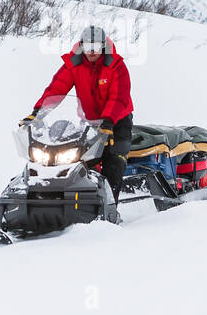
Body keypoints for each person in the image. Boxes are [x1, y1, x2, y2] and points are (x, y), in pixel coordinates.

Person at [22, 26, 134, 201]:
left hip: (116, 122)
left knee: (114, 162)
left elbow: (119, 97)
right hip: (89, 124)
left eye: (96, 47)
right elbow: (56, 88)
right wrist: (38, 113)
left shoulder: (115, 66)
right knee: (72, 161)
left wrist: (108, 121)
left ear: (103, 47)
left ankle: (110, 208)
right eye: (87, 46)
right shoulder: (74, 64)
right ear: (81, 45)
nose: (91, 51)